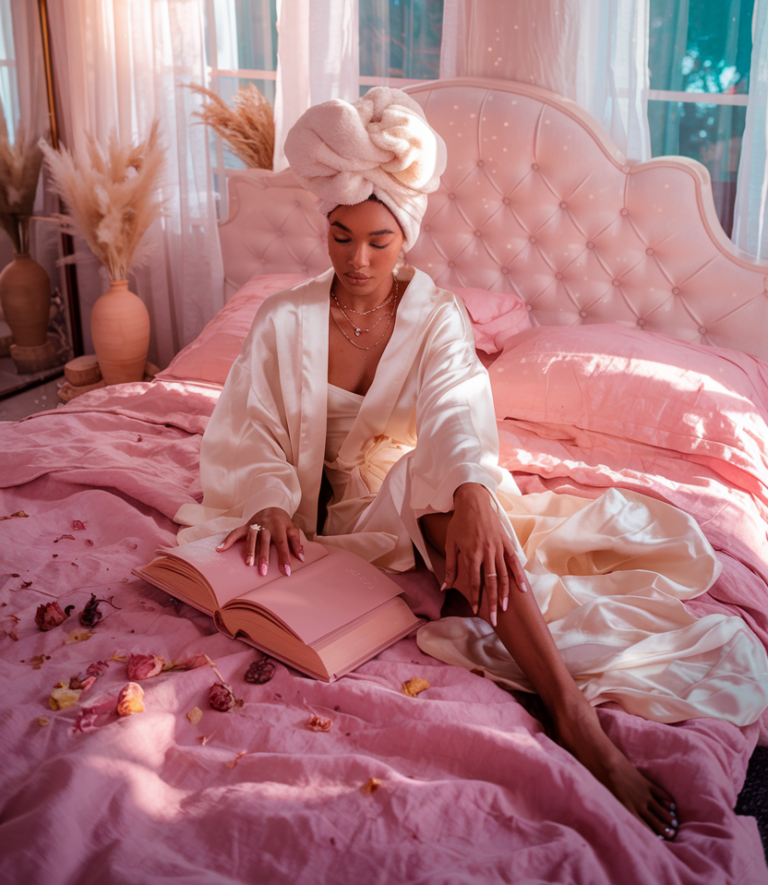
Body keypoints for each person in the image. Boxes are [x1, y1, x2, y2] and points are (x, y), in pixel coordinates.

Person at [177, 88, 765, 839]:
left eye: (379, 240)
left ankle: (573, 717)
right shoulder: (282, 316)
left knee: (443, 475)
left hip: (406, 506)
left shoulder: (439, 318)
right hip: (299, 519)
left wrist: (475, 490)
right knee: (434, 481)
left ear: (406, 236)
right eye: (341, 236)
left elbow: (458, 412)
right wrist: (262, 498)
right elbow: (248, 423)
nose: (359, 260)